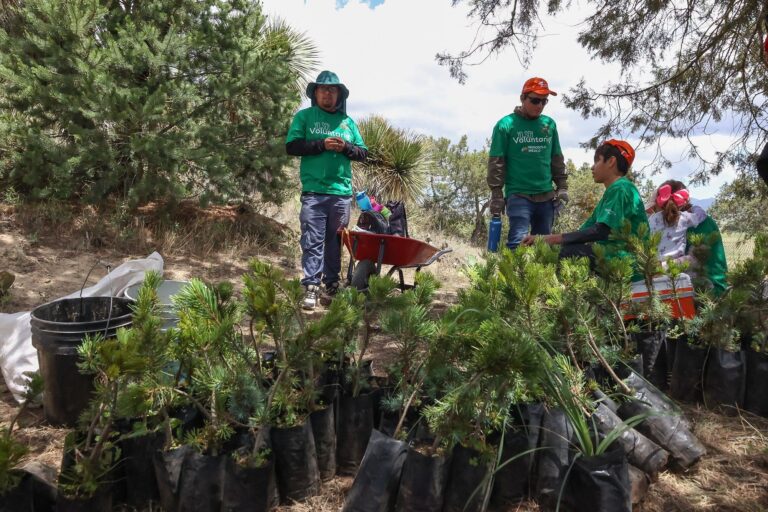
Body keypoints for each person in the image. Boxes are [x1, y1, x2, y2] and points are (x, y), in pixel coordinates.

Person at [286, 70, 368, 310]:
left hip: (341, 194)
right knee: (312, 239)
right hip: (314, 192)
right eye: (323, 89)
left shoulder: (348, 123)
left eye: (333, 90)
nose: (328, 93)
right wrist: (320, 145)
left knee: (335, 242)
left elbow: (363, 153)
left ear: (339, 95)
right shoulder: (305, 117)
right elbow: (292, 146)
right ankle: (311, 287)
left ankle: (331, 286)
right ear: (316, 93)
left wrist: (345, 147)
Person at [521, 139, 649, 272]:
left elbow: (601, 231)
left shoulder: (620, 188)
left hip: (626, 261)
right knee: (557, 249)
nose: (592, 167)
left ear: (611, 161)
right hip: (613, 256)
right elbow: (584, 232)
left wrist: (548, 239)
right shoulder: (613, 193)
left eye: (597, 161)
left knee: (562, 254)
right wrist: (544, 240)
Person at [487, 77, 568, 249]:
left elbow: (556, 158)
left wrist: (562, 187)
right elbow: (497, 162)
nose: (539, 105)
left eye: (544, 101)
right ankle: (512, 277)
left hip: (546, 197)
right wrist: (496, 194)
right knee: (518, 244)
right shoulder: (505, 125)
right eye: (535, 100)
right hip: (519, 195)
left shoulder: (549, 125)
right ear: (522, 98)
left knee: (543, 248)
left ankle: (541, 278)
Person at [647, 181, 707, 265]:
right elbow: (702, 214)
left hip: (654, 266)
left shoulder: (652, 218)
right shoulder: (684, 217)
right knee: (693, 258)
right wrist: (692, 208)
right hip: (674, 266)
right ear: (683, 203)